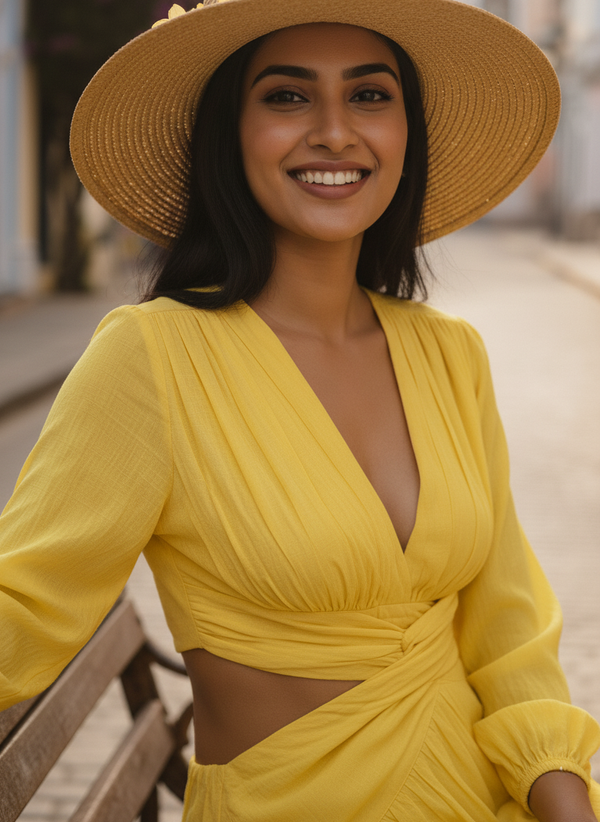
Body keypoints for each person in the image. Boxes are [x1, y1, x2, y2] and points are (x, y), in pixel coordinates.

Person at [1, 0, 599, 820]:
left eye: (369, 95)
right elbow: (25, 605)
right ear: (229, 131)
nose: (334, 131)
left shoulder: (449, 353)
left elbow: (508, 627)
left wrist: (563, 797)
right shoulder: (154, 358)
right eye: (286, 96)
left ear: (405, 133)